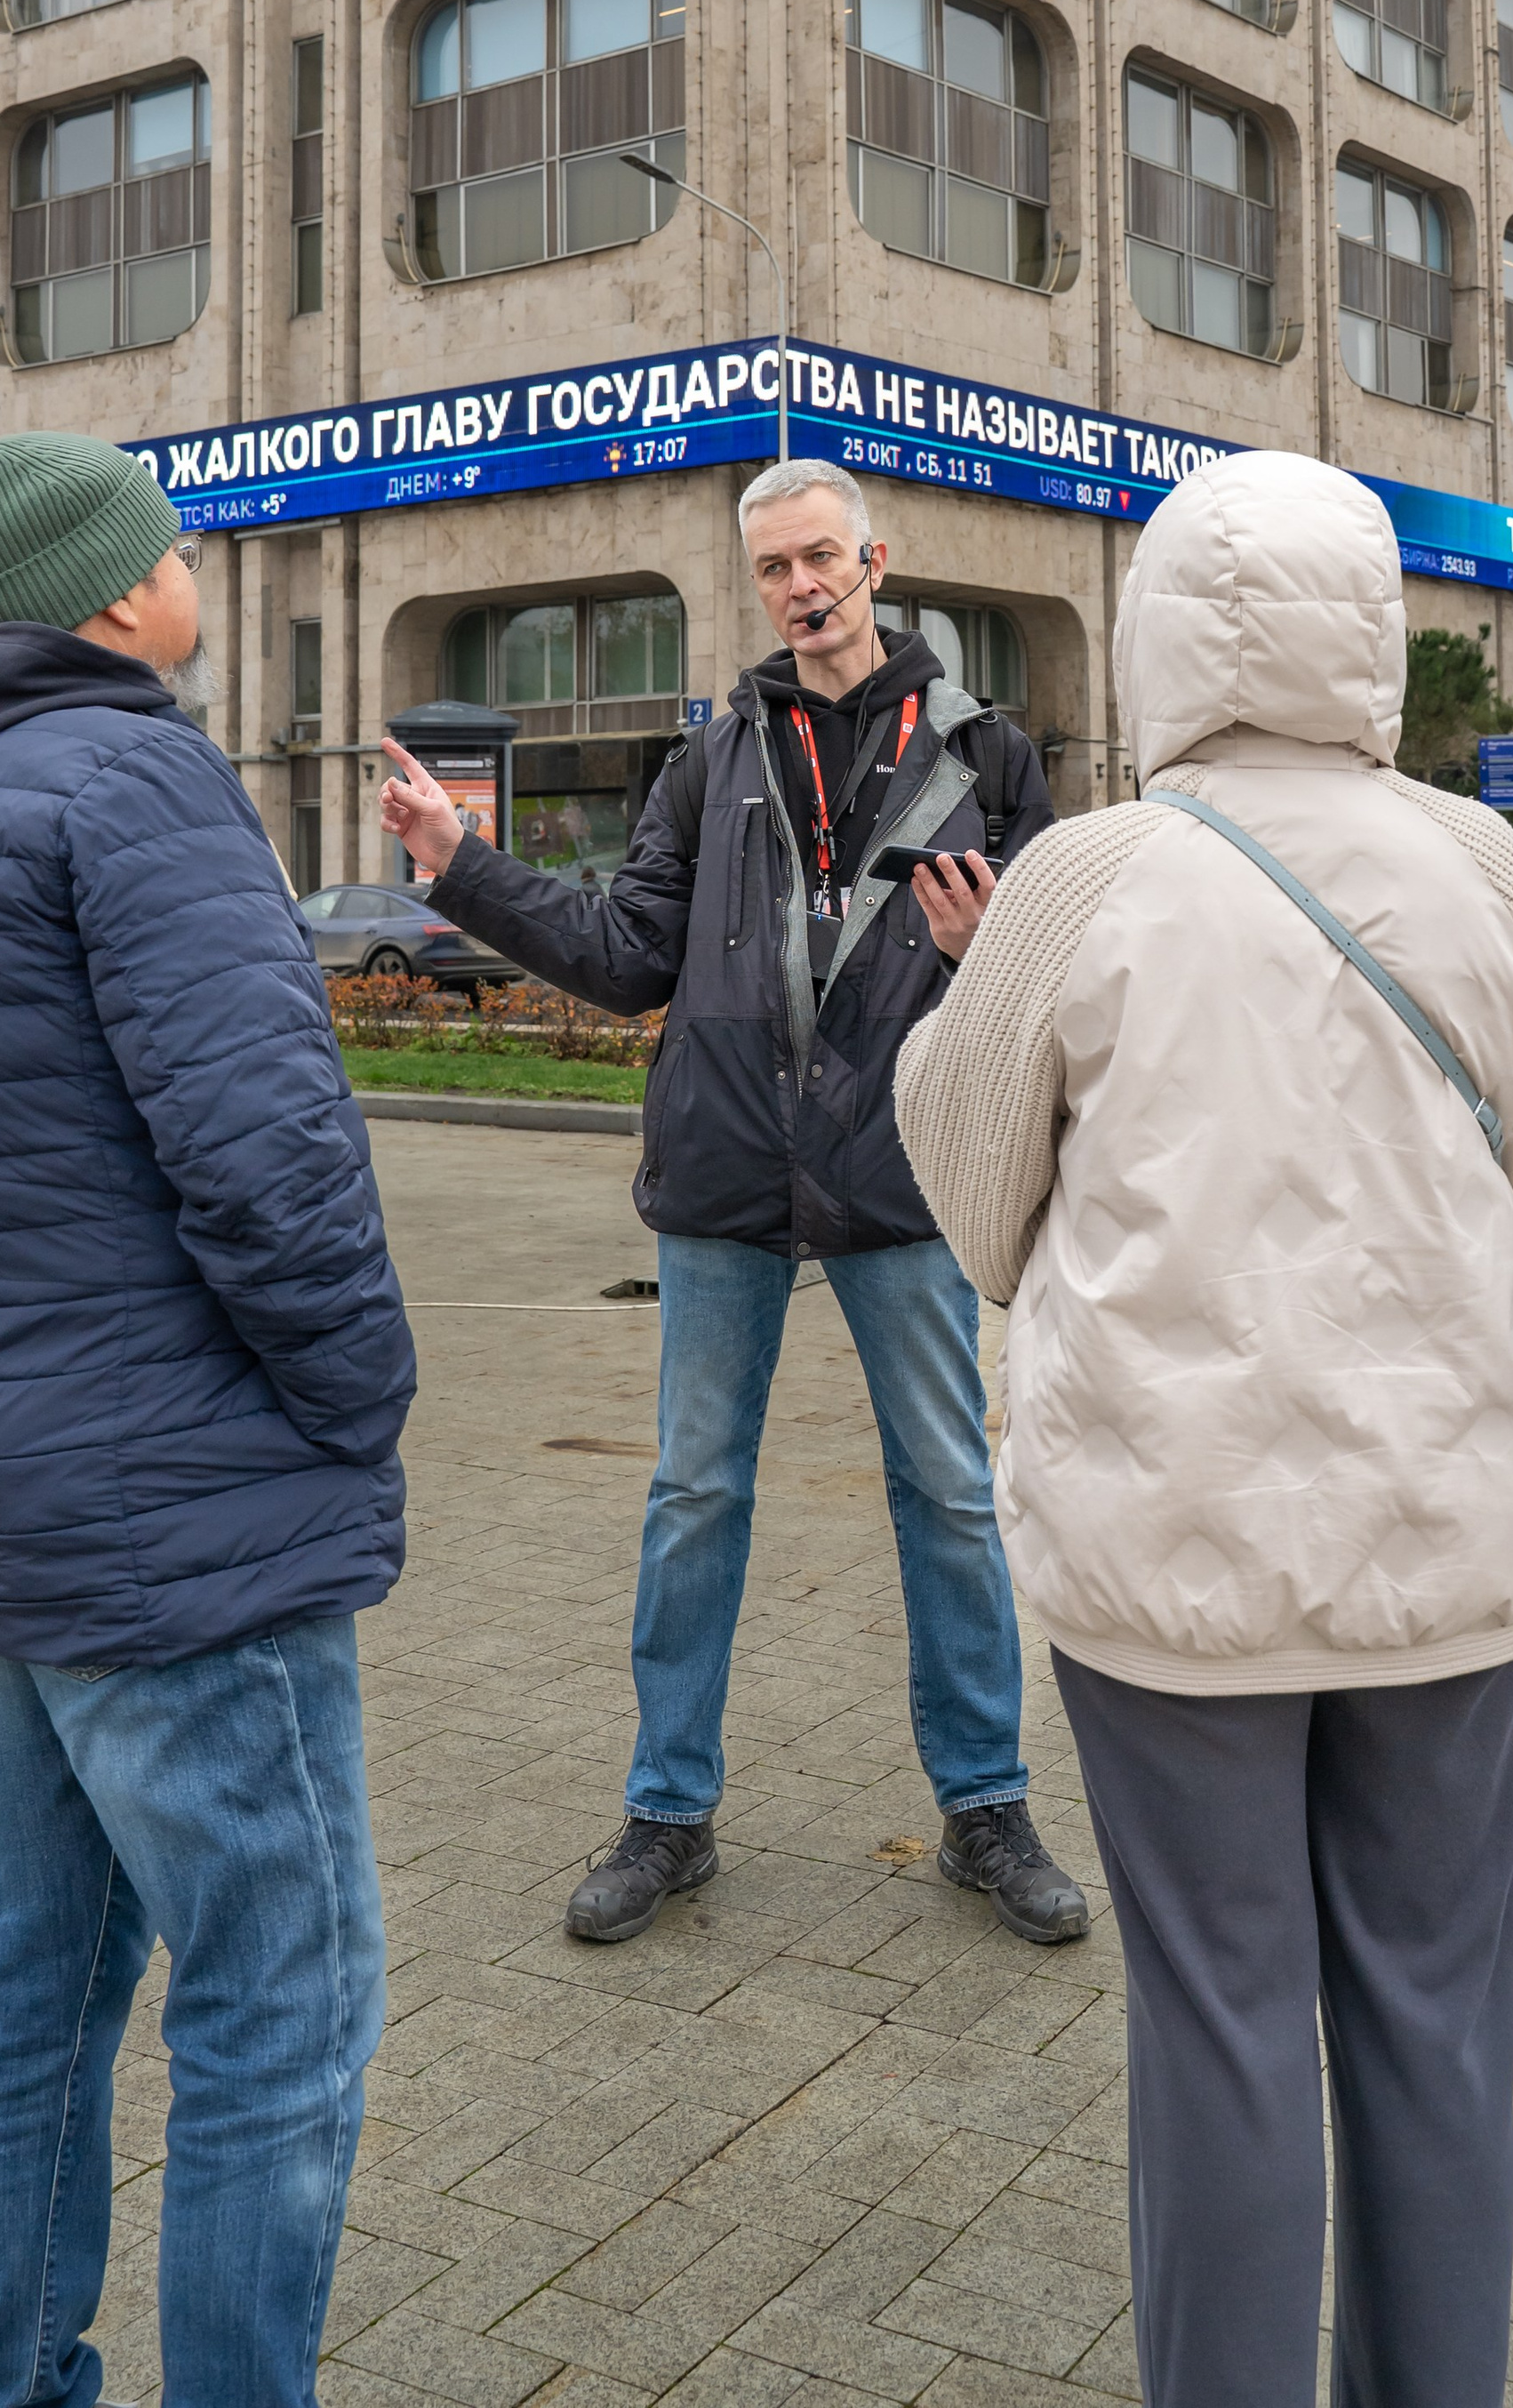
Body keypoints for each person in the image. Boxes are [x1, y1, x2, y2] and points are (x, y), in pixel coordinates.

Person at [894, 448, 1513, 2408]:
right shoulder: (1480, 866)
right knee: (1439, 2017)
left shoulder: (1092, 875)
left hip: (1166, 1551)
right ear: (1365, 632)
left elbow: (968, 1192)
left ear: (1153, 637)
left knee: (1216, 2022)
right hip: (1453, 1544)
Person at [0, 429, 416, 2408]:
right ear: (100, 595)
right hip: (181, 1512)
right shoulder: (134, 769)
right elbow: (266, 1154)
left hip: (12, 1488)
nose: (193, 564)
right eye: (169, 543)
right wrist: (355, 1397)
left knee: (41, 1982)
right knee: (278, 2005)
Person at [377, 456, 1088, 1948]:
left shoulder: (988, 751)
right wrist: (464, 868)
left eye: (821, 557)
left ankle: (986, 1807)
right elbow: (631, 953)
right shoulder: (715, 758)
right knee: (696, 1493)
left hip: (899, 1170)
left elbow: (1054, 983)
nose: (800, 587)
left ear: (875, 560)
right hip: (722, 1170)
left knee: (953, 1495)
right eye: (773, 568)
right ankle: (667, 1812)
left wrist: (988, 954)